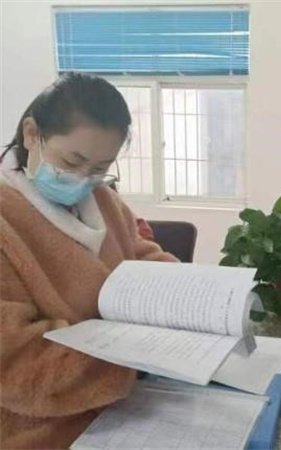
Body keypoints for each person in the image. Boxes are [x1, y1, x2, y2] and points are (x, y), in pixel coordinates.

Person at [0, 73, 177, 449]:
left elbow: (140, 257)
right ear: (31, 134)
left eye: (99, 168)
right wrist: (130, 361)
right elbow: (13, 360)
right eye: (73, 161)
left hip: (128, 403)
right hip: (41, 427)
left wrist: (193, 293)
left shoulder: (104, 201)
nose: (83, 179)